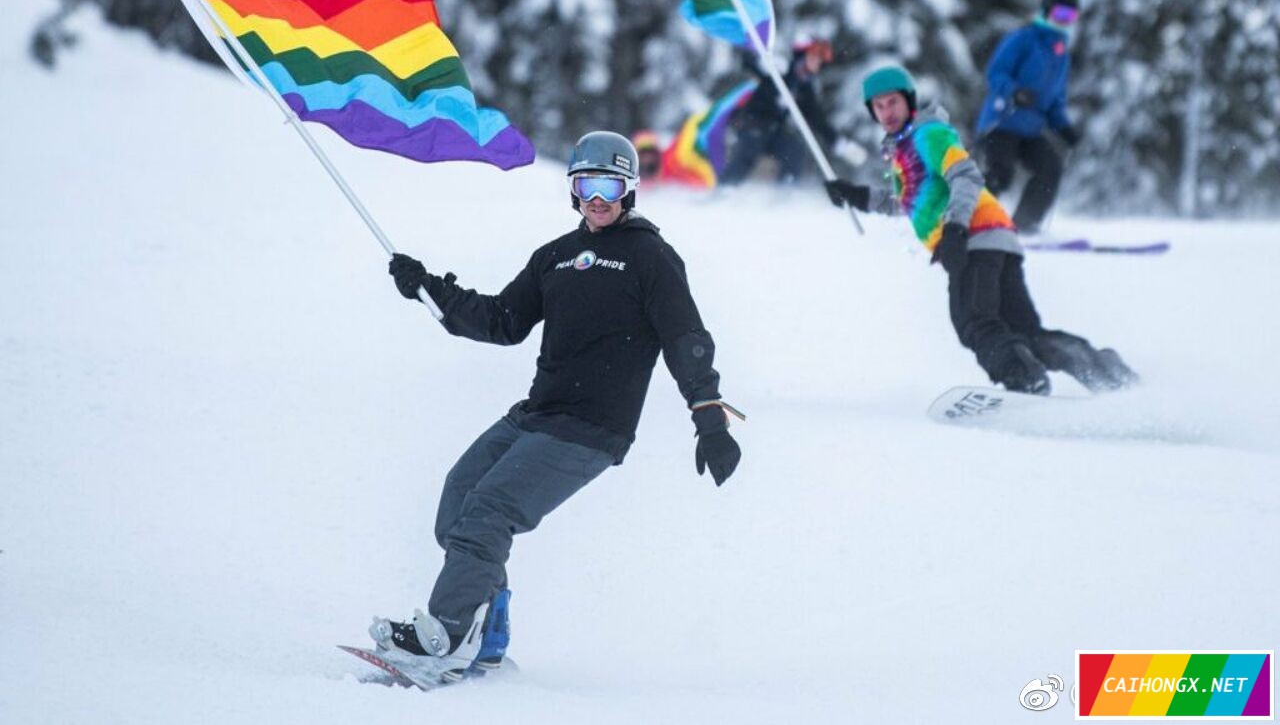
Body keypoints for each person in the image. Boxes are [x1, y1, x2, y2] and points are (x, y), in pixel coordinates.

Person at [372, 131, 743, 682]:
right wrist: (428, 288)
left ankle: (446, 636)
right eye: (586, 184)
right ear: (573, 190)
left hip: (592, 428)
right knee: (459, 499)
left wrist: (708, 415)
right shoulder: (556, 257)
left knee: (490, 510)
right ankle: (487, 638)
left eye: (609, 185)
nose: (598, 198)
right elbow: (502, 320)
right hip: (537, 413)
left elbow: (686, 337)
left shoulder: (651, 258)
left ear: (629, 189)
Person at [825, 65, 1137, 395]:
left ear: (909, 101)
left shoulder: (928, 135)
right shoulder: (904, 149)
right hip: (996, 237)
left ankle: (1024, 380)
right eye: (879, 106)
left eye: (893, 102)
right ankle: (1104, 370)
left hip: (973, 236)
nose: (887, 112)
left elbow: (966, 176)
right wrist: (857, 196)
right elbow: (911, 203)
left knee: (974, 323)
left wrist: (956, 229)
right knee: (1024, 331)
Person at [973, 0, 1083, 234]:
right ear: (1046, 10)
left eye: (1071, 16)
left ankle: (1024, 224)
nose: (1065, 21)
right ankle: (973, 220)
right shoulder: (1024, 38)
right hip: (1002, 121)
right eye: (1060, 14)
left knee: (1050, 167)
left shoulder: (1061, 52)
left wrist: (1063, 127)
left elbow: (1055, 99)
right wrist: (1014, 92)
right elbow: (995, 73)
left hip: (1031, 129)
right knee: (1001, 172)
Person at [719, 37, 865, 185]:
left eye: (820, 61)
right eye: (814, 57)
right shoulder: (781, 70)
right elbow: (748, 62)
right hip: (751, 124)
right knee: (750, 147)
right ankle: (726, 189)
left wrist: (839, 144)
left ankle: (784, 192)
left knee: (794, 148)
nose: (817, 63)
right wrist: (762, 63)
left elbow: (816, 118)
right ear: (803, 55)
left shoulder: (804, 88)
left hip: (774, 131)